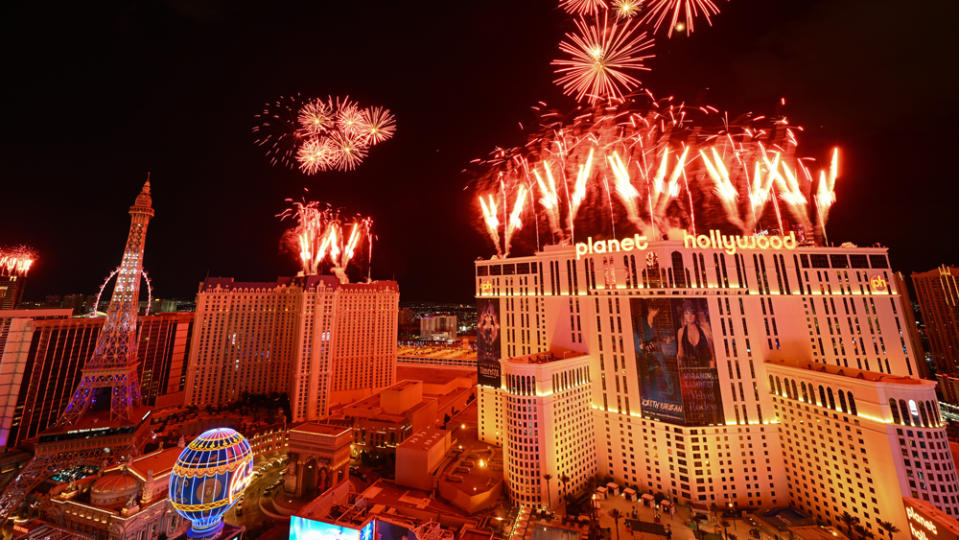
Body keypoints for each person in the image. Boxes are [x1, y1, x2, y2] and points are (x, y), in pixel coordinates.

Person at [676, 301, 714, 368]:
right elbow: (680, 354)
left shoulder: (704, 331)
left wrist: (712, 372)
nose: (689, 316)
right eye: (686, 313)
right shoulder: (681, 332)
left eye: (692, 313)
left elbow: (711, 356)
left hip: (704, 371)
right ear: (684, 315)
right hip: (689, 372)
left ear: (695, 314)